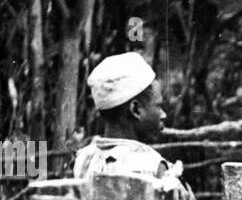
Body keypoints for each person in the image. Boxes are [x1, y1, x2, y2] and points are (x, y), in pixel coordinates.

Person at [74, 52, 183, 189]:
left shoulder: (83, 159)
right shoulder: (153, 167)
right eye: (158, 106)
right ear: (135, 109)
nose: (163, 115)